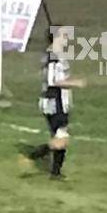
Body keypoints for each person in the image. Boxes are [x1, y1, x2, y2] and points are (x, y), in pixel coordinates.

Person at [24, 28, 86, 179]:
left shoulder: (56, 55)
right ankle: (37, 154)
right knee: (61, 138)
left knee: (60, 137)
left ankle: (55, 172)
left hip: (59, 102)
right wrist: (75, 83)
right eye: (64, 35)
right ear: (56, 37)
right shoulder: (53, 57)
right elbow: (53, 81)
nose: (67, 39)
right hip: (55, 103)